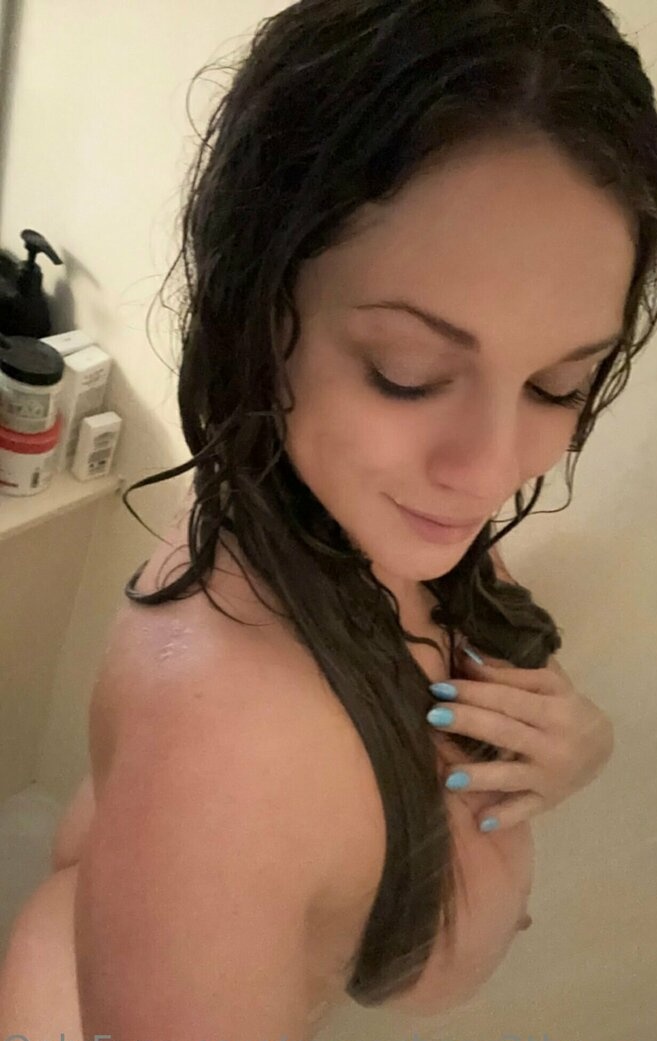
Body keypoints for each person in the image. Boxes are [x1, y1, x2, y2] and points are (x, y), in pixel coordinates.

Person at [1, 0, 652, 1036]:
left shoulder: (356, 526)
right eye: (407, 371)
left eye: (557, 385)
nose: (490, 470)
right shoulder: (229, 749)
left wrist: (578, 749)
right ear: (259, 314)